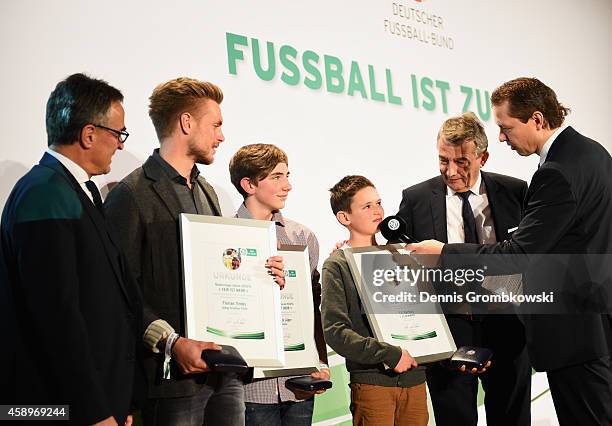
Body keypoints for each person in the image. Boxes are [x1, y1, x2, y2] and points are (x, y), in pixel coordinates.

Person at [410, 77, 612, 425]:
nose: (503, 136)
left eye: (506, 127)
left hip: (574, 333)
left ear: (536, 119)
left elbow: (517, 255)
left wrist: (445, 252)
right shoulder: (593, 153)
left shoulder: (555, 173)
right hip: (591, 325)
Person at [104, 77, 284, 426]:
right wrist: (171, 342)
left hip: (225, 371)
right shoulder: (131, 195)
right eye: (216, 125)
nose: (221, 136)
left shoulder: (208, 193)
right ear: (187, 123)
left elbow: (222, 270)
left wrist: (261, 274)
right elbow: (121, 293)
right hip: (171, 379)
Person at [0, 73, 142, 425]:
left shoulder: (75, 191)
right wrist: (93, 410)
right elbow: (56, 316)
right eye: (118, 134)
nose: (121, 145)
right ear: (89, 134)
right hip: (57, 408)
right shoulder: (45, 192)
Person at [396, 112, 530, 425]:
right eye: (443, 160)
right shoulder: (415, 199)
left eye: (461, 162)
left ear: (483, 156)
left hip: (508, 327)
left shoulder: (515, 192)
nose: (451, 171)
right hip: (449, 334)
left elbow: (527, 257)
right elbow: (398, 258)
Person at [228, 143, 330, 425]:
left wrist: (320, 361)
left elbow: (312, 306)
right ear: (249, 184)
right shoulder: (224, 233)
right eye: (276, 177)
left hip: (298, 382)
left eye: (287, 175)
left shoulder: (302, 236)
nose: (287, 185)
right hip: (250, 386)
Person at [321, 175, 429, 426]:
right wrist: (390, 355)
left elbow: (423, 315)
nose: (377, 211)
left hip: (415, 379)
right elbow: (335, 331)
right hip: (373, 383)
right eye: (366, 206)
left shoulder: (400, 255)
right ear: (344, 218)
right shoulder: (337, 264)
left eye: (378, 203)